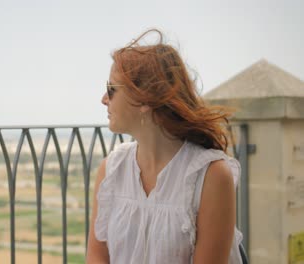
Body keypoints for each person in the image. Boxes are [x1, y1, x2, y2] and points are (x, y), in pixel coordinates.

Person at [86, 29, 244, 263]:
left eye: (112, 89)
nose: (103, 99)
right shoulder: (111, 170)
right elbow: (97, 257)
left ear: (143, 100)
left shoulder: (210, 176)